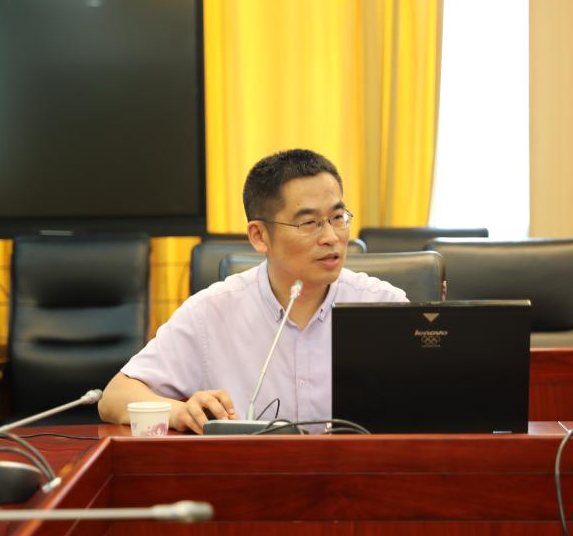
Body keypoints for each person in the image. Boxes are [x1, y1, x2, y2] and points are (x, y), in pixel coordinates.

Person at [98, 149, 407, 433]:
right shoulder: (211, 312)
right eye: (309, 222)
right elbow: (114, 396)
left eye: (338, 218)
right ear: (260, 236)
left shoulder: (385, 306)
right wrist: (180, 412)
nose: (331, 236)